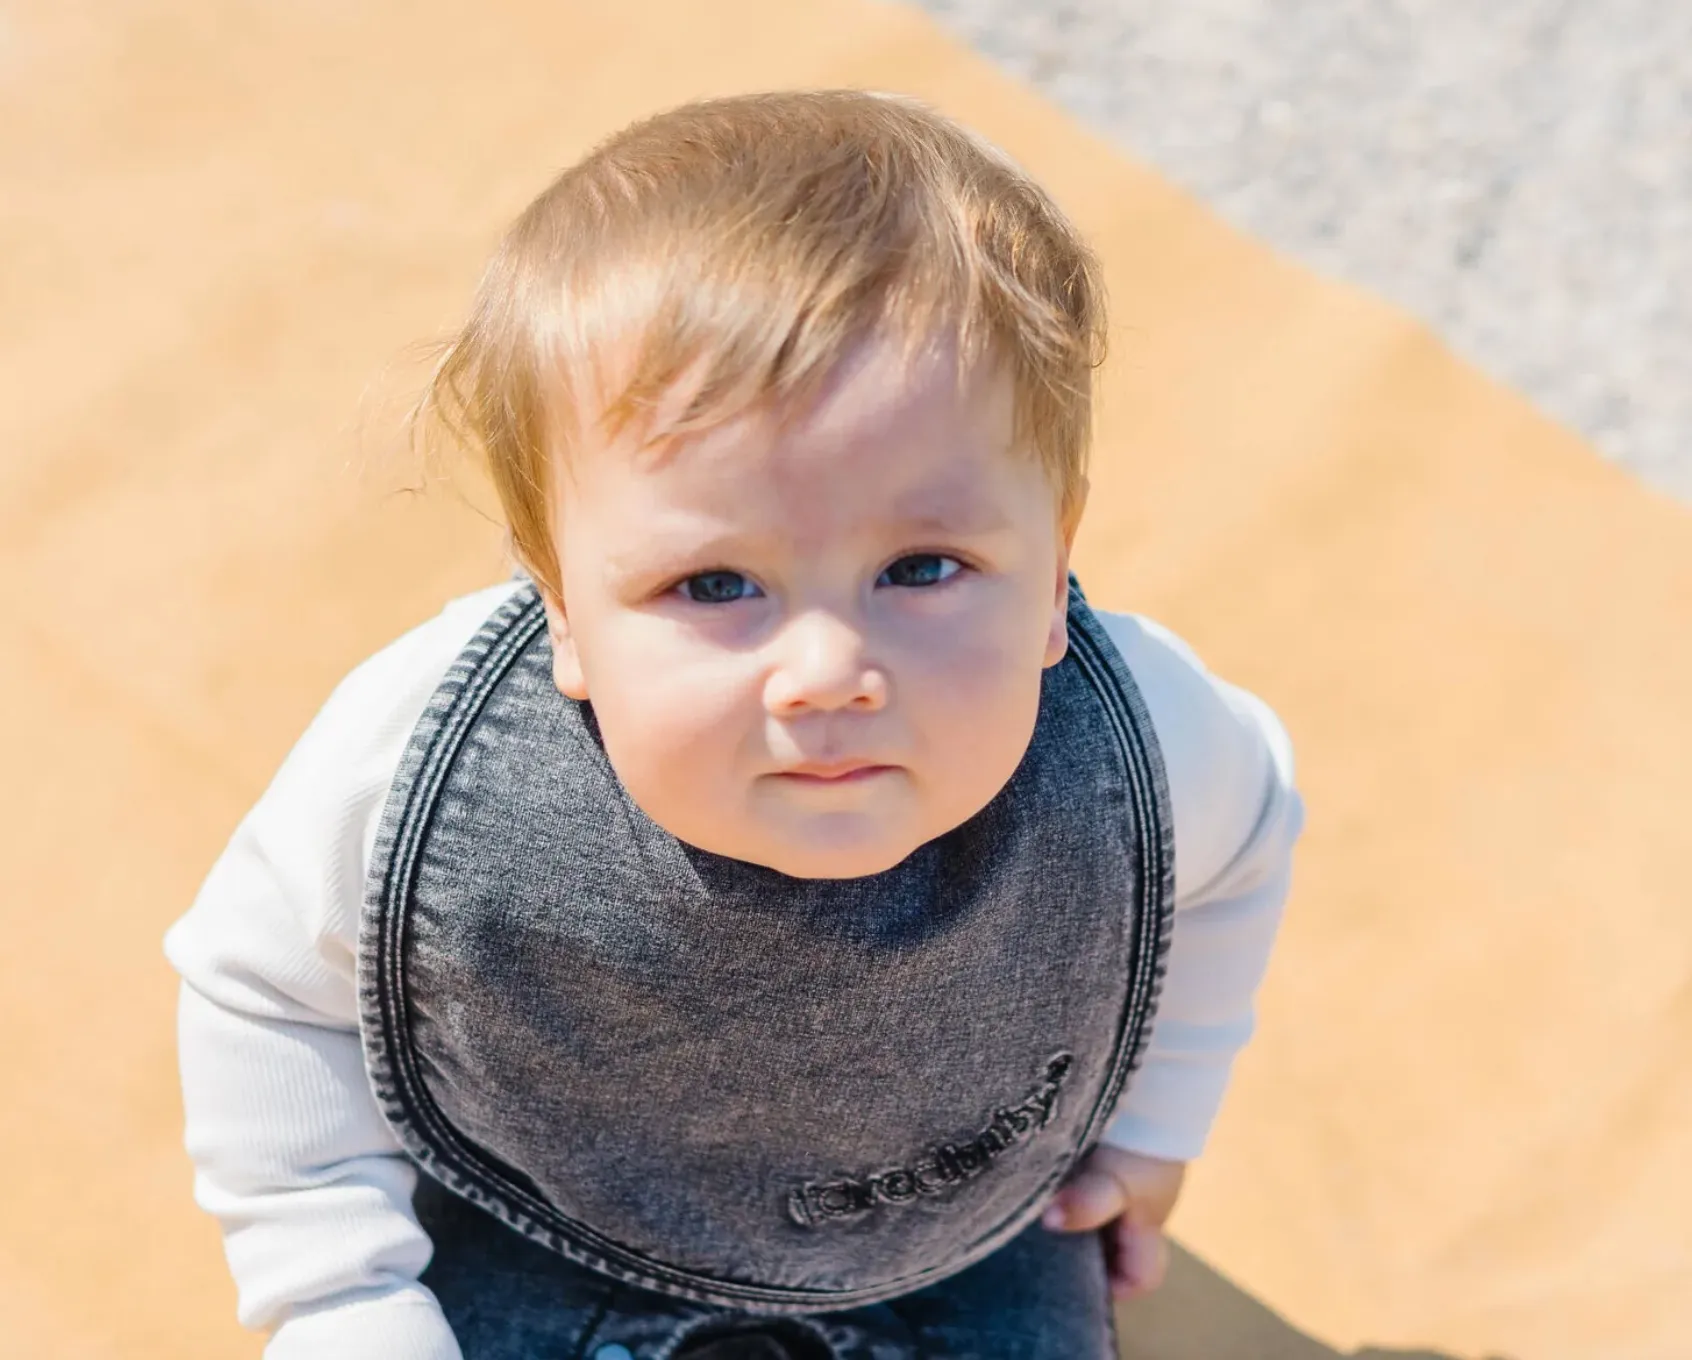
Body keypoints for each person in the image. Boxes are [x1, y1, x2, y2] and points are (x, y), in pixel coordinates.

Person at [165, 89, 1303, 1360]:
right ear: (564, 609)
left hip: (961, 1228)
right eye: (716, 586)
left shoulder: (1142, 748)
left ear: (1052, 573)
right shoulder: (420, 776)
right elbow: (262, 994)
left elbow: (1246, 846)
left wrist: (1156, 1124)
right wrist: (336, 1299)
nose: (827, 671)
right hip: (535, 1216)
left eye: (922, 567)